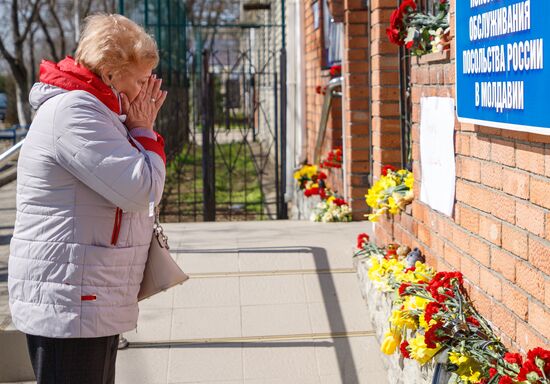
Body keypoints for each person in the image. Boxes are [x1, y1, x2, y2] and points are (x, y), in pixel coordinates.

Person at [7, 14, 167, 384]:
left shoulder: (97, 111)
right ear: (111, 72)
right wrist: (143, 130)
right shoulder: (76, 112)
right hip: (70, 299)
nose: (146, 92)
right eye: (141, 81)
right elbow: (142, 189)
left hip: (83, 294)